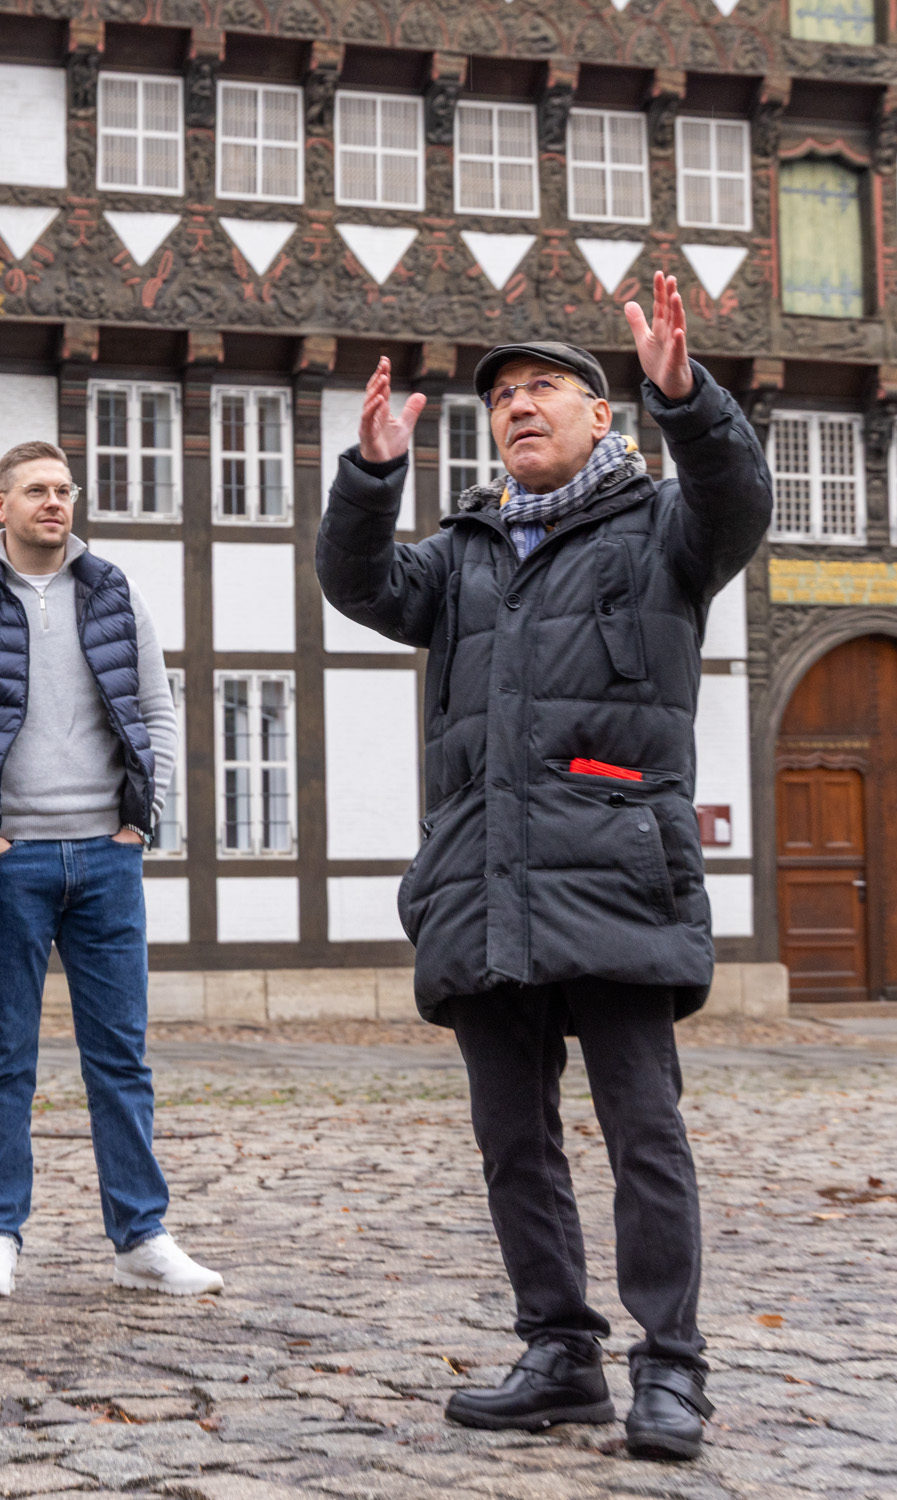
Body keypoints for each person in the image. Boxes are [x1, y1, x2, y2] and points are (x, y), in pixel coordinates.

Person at [316, 275, 772, 1462]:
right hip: (482, 884)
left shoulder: (661, 528)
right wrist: (367, 479)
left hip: (616, 872)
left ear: (598, 419)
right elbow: (357, 584)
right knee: (512, 1139)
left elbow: (735, 496)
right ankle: (557, 1354)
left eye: (543, 392)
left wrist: (685, 392)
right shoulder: (459, 555)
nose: (517, 408)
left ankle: (669, 1370)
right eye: (502, 398)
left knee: (643, 1133)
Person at [0, 440, 211, 1305]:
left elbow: (157, 709)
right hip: (6, 862)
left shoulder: (112, 590)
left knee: (122, 1056)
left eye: (65, 489)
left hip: (106, 861)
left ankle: (140, 1238)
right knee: (2, 1056)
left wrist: (140, 823)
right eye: (36, 490)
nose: (54, 502)